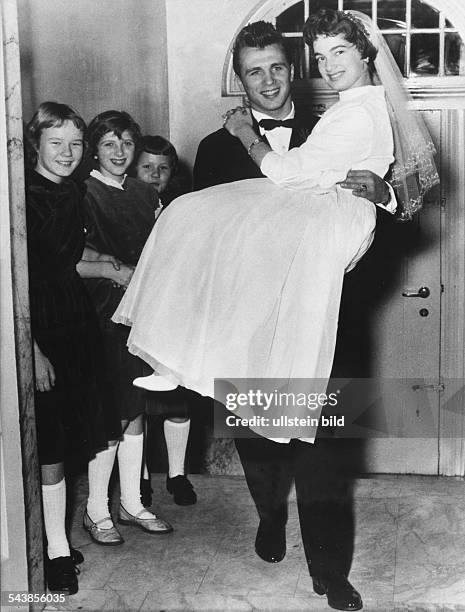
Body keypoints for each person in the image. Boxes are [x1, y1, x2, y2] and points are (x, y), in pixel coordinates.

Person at [113, 10, 438, 611]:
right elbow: (214, 248)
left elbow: (386, 207)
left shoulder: (335, 118)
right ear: (240, 80)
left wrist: (384, 192)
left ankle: (330, 572)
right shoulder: (215, 149)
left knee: (324, 453)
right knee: (262, 445)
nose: (267, 81)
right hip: (250, 332)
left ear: (294, 70)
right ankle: (268, 517)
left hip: (325, 323)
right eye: (252, 73)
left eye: (275, 68)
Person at [25, 102, 122, 594]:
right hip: (39, 326)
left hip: (74, 319)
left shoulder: (70, 192)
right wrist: (32, 349)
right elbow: (19, 278)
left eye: (75, 144)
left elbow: (66, 260)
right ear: (36, 144)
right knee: (53, 445)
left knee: (78, 430)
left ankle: (60, 539)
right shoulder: (25, 196)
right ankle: (56, 554)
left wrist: (106, 262)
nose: (67, 153)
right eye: (56, 143)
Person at [77, 111, 173, 546]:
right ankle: (96, 509)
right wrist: (117, 272)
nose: (119, 152)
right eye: (110, 143)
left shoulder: (140, 192)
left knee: (136, 406)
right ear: (95, 148)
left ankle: (131, 502)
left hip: (143, 310)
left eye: (127, 144)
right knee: (111, 413)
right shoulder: (83, 192)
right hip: (102, 312)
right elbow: (75, 254)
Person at [132, 136, 197, 505]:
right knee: (135, 403)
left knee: (177, 398)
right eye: (147, 167)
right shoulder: (125, 202)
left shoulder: (181, 206)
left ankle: (177, 474)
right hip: (137, 310)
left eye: (163, 168)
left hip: (175, 311)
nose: (155, 175)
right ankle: (139, 478)